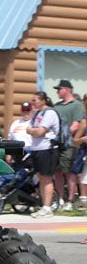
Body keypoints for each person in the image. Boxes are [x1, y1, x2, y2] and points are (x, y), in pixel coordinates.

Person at [26, 91, 59, 218]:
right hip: (37, 149)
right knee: (40, 177)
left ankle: (47, 207)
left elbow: (40, 132)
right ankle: (43, 205)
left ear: (43, 100)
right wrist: (34, 131)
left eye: (35, 100)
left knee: (47, 177)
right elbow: (29, 129)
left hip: (47, 149)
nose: (32, 103)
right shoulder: (37, 114)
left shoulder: (49, 113)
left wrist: (33, 131)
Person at [53, 80, 84, 210]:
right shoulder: (56, 106)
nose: (57, 92)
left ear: (66, 89)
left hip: (69, 144)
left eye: (59, 89)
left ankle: (70, 201)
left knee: (70, 173)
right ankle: (59, 199)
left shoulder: (77, 105)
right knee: (58, 172)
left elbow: (76, 124)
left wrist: (63, 135)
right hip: (56, 144)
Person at [6, 101, 33, 165]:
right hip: (17, 152)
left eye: (28, 110)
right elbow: (9, 139)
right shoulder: (15, 123)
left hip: (29, 152)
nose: (26, 113)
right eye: (24, 110)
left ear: (31, 111)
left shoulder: (33, 123)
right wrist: (8, 154)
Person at [73, 93, 87, 212]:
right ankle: (83, 199)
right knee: (84, 177)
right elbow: (75, 141)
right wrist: (83, 139)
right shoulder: (84, 121)